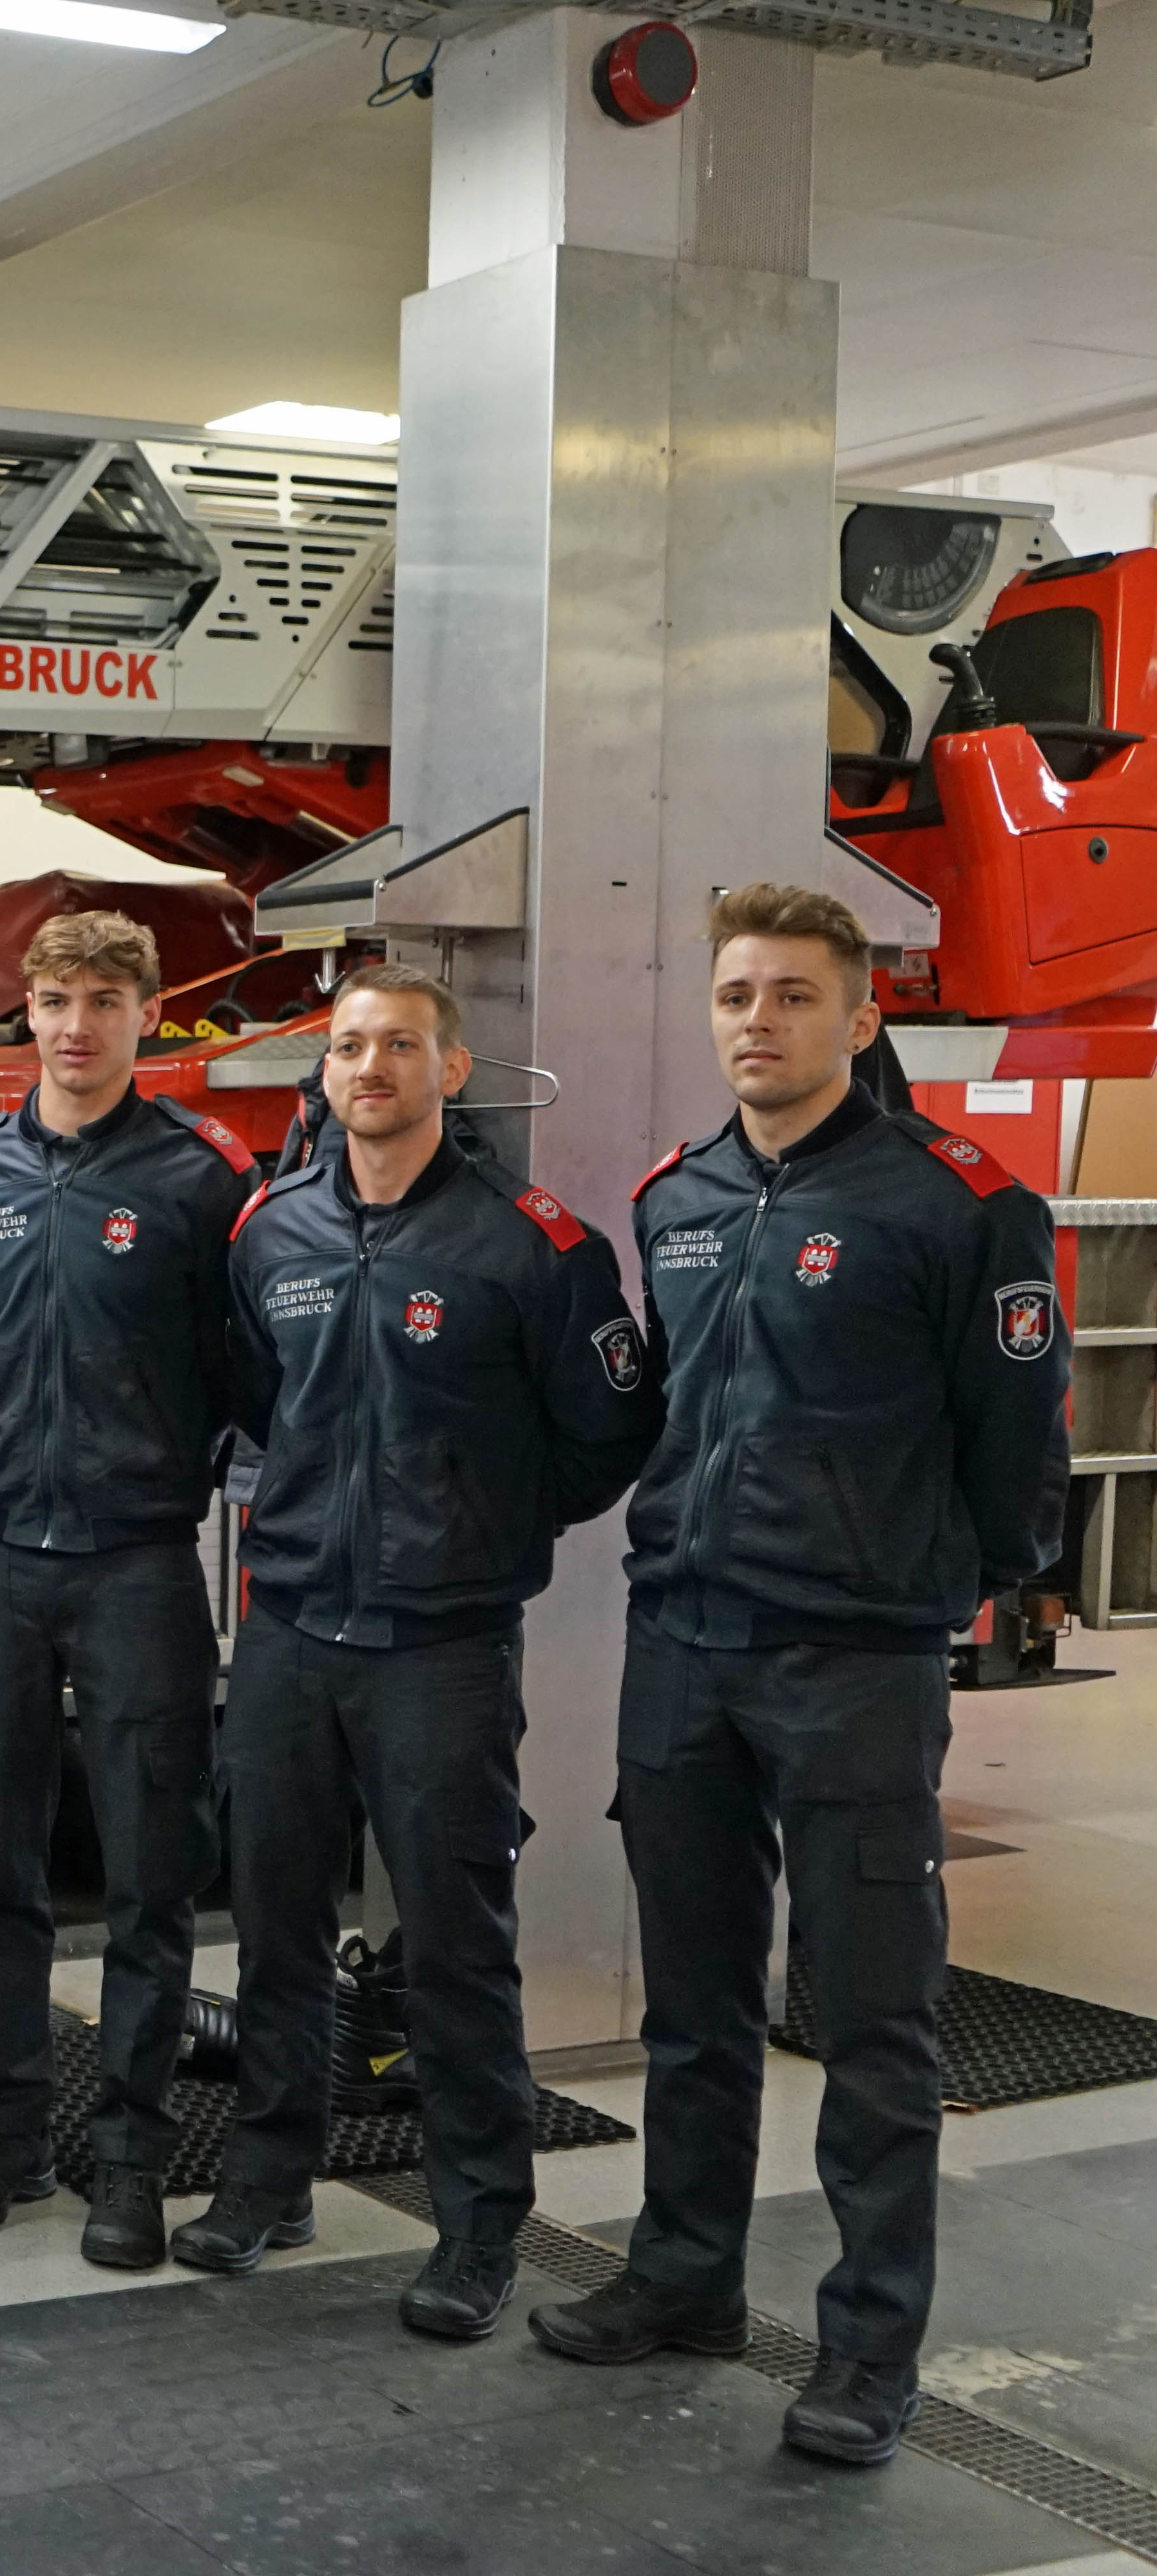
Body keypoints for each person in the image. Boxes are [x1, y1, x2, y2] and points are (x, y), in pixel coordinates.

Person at [534, 884, 1070, 2467]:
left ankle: (867, 2345)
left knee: (874, 2018)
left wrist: (935, 1593)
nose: (755, 1020)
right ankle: (685, 2275)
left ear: (862, 1014)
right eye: (734, 995)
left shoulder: (960, 1203)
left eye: (789, 994)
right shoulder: (677, 1195)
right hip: (686, 1643)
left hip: (855, 1658)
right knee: (694, 2005)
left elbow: (1013, 1442)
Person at [182, 963, 658, 2339]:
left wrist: (487, 1519)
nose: (370, 1066)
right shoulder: (273, 1231)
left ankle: (479, 2225)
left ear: (452, 1070)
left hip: (441, 1646)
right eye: (347, 1047)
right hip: (288, 1635)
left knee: (455, 1943)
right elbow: (254, 1400)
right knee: (270, 1923)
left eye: (400, 1044)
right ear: (321, 1075)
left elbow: (608, 1430)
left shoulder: (532, 1244)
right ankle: (270, 2179)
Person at [0, 909, 256, 2264]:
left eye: (103, 999)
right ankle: (7, 2129)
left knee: (146, 1869)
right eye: (52, 998)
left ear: (147, 1014)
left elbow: (249, 1366)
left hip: (136, 1560)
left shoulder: (205, 1176)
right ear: (25, 1012)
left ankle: (130, 2149)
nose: (73, 1023)